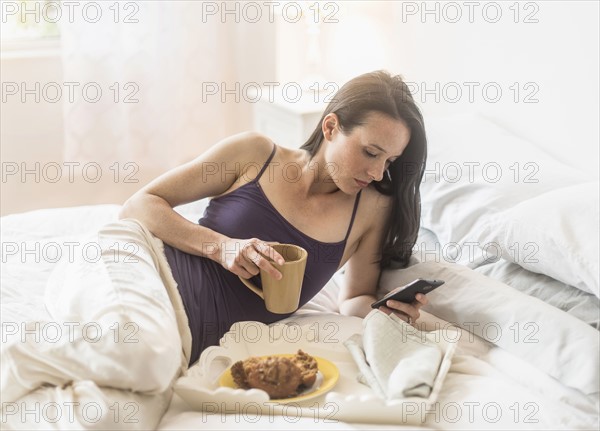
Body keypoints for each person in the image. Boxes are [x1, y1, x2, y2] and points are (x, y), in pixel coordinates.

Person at [2, 70, 428, 424]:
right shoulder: (255, 153)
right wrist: (222, 247)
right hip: (142, 265)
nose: (376, 172)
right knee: (145, 358)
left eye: (389, 161)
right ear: (331, 126)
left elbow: (353, 297)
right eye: (370, 152)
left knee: (113, 417)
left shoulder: (371, 209)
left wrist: (388, 314)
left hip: (185, 345)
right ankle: (15, 358)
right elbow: (140, 204)